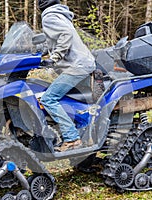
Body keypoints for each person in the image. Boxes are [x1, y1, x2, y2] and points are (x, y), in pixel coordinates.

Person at [38, 0, 96, 151]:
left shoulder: (49, 17)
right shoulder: (60, 14)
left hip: (77, 66)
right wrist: (40, 52)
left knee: (48, 98)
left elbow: (65, 35)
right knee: (68, 98)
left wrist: (54, 58)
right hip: (83, 63)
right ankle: (86, 133)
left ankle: (71, 138)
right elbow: (55, 40)